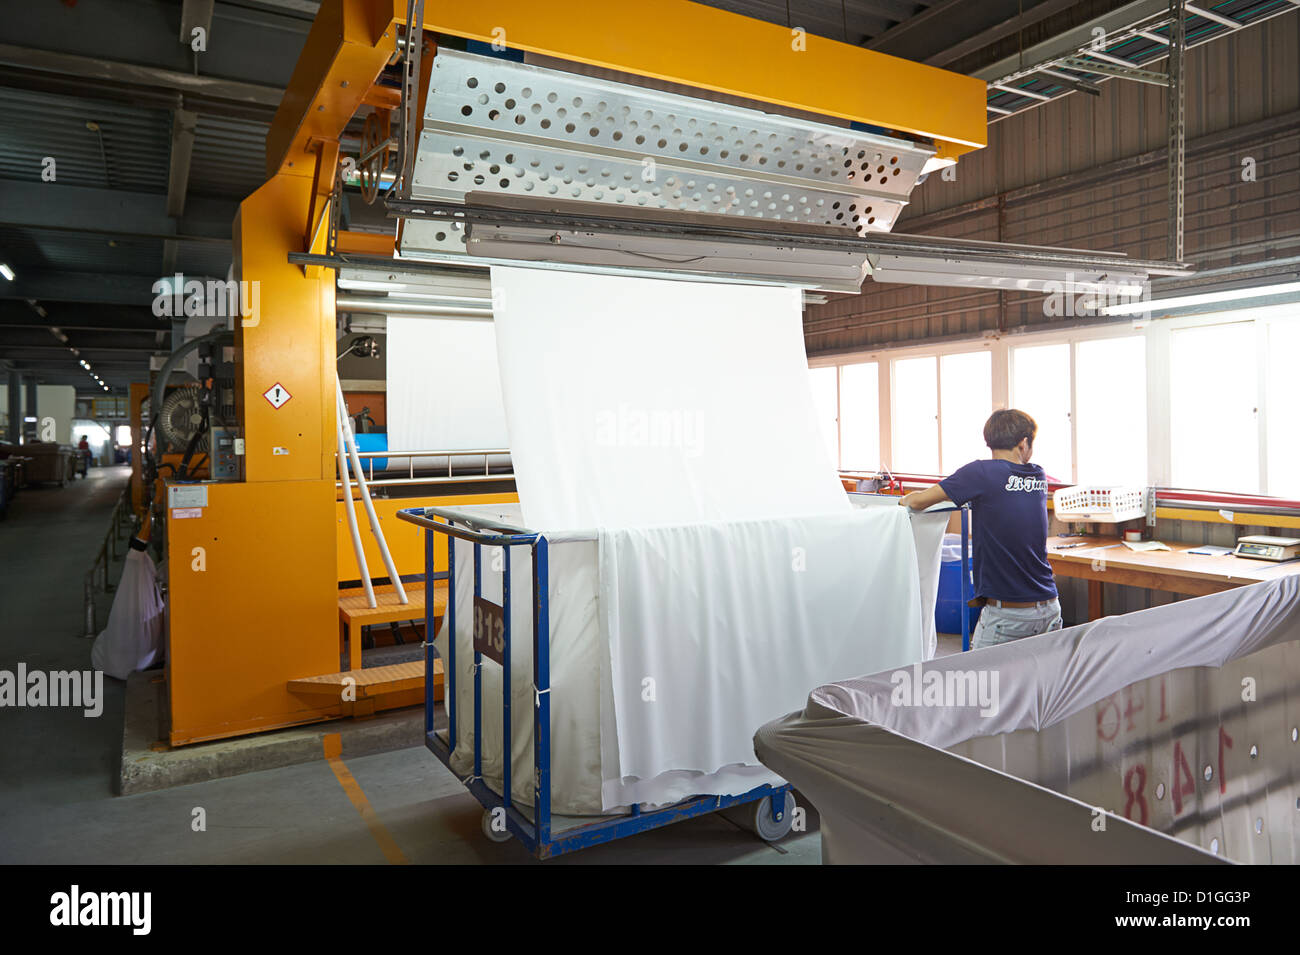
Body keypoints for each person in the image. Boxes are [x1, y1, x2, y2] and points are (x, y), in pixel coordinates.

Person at [900, 409, 1061, 649]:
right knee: (1037, 685)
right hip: (1050, 608)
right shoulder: (1037, 475)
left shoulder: (980, 473)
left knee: (982, 686)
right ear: (1024, 442)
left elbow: (918, 501)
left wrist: (903, 501)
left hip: (1008, 616)